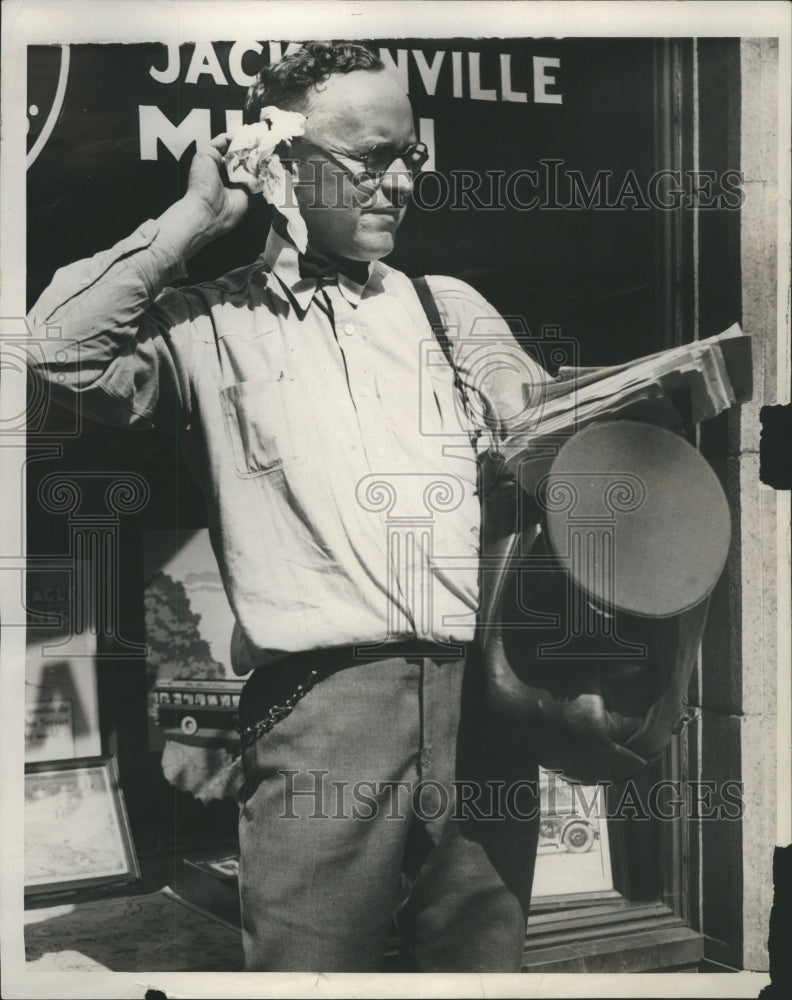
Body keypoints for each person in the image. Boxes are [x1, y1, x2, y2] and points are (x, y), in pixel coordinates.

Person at [28, 41, 551, 972]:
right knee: (310, 976)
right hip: (322, 719)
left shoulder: (448, 305)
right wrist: (194, 217)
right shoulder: (205, 325)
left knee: (484, 975)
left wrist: (525, 409)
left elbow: (528, 412)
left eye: (410, 158)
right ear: (280, 161)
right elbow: (56, 351)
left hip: (482, 710)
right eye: (367, 160)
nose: (396, 183)